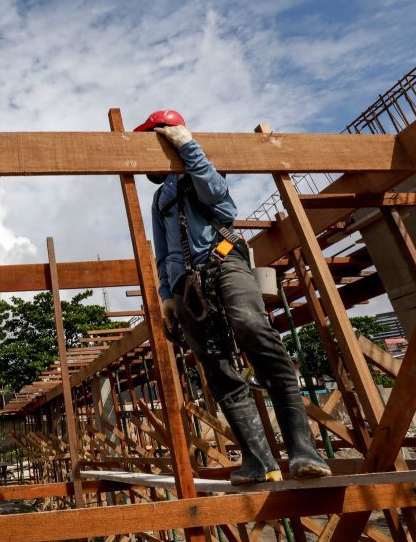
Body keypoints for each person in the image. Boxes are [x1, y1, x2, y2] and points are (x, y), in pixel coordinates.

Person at [136, 109, 331, 485]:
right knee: (217, 367)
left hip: (223, 261)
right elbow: (161, 251)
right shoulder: (160, 198)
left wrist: (188, 147)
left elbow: (224, 205)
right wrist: (166, 295)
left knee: (252, 328)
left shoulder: (202, 169)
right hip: (186, 285)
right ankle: (259, 462)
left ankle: (304, 451)